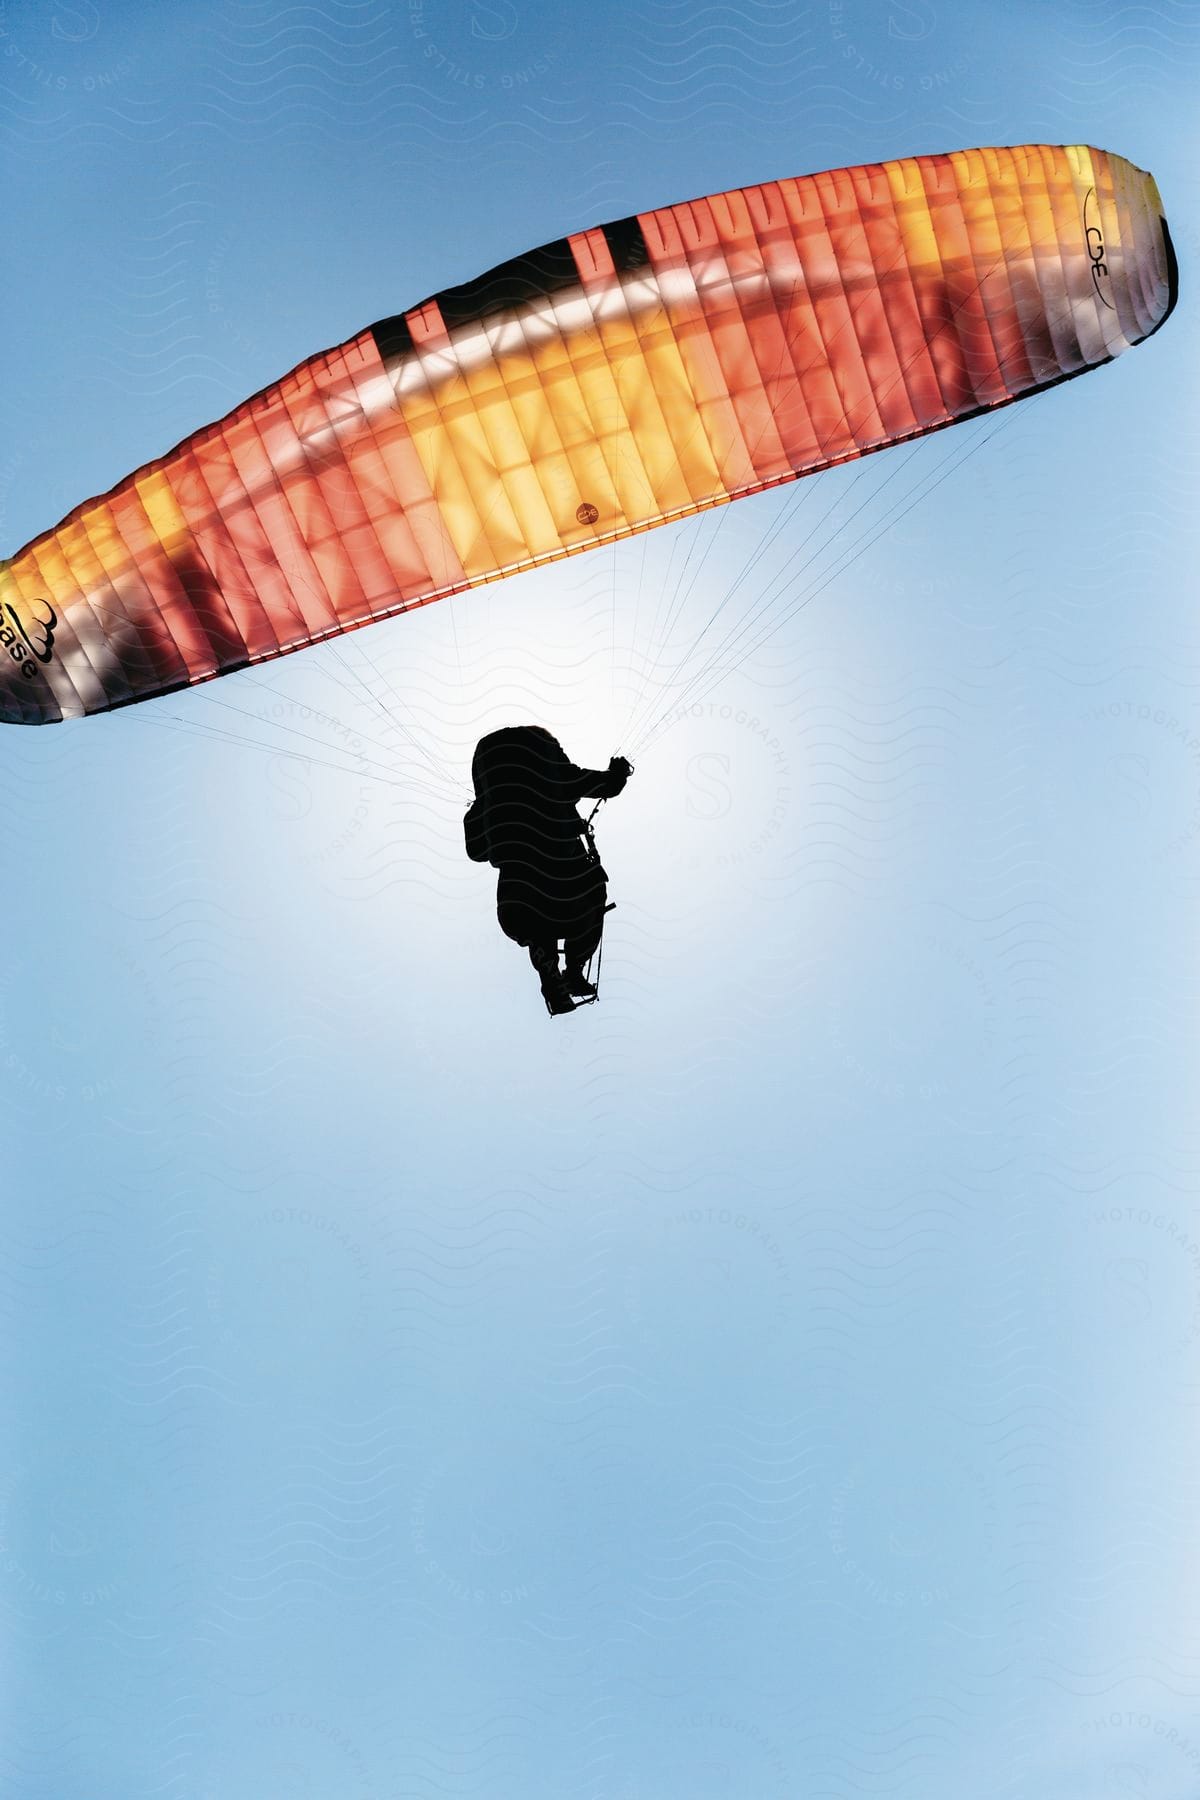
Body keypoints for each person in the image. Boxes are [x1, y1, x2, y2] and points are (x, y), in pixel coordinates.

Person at [464, 727, 633, 1014]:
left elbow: (476, 851)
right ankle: (573, 971)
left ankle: (551, 977)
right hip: (569, 893)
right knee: (591, 894)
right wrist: (617, 773)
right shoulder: (559, 778)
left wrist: (492, 816)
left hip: (517, 904)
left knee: (537, 925)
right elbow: (605, 786)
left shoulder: (484, 811)